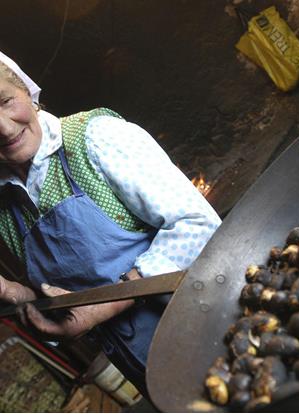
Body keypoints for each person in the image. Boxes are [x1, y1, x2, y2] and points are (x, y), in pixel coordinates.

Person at [0, 51, 221, 396]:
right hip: (148, 371)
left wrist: (103, 307)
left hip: (213, 333)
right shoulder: (6, 210)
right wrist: (13, 293)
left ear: (26, 91)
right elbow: (63, 300)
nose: (4, 127)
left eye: (5, 101)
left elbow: (196, 226)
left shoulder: (95, 139)